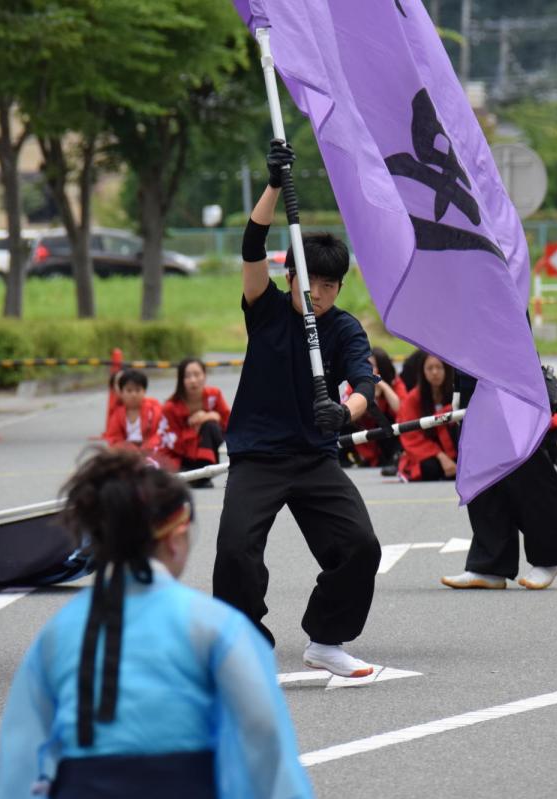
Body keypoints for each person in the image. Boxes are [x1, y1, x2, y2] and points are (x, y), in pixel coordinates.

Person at [0, 449, 313, 798]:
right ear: (175, 537)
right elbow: (262, 730)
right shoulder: (215, 626)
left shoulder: (58, 633)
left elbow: (23, 754)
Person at [211, 139, 382, 678]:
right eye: (315, 283)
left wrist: (346, 411)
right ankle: (247, 644)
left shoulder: (344, 327)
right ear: (294, 277)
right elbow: (251, 242)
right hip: (258, 455)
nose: (322, 295)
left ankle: (327, 639)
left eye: (332, 286)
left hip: (314, 456)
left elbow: (364, 383)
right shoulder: (264, 309)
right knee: (236, 553)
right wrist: (272, 183)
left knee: (360, 546)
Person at [442, 370, 557, 590]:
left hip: (509, 375)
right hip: (472, 378)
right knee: (481, 472)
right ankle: (490, 564)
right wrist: (459, 386)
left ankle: (549, 555)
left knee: (526, 469)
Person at [158, 357, 230, 487]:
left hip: (207, 451)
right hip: (182, 457)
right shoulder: (170, 407)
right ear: (181, 380)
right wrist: (194, 430)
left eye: (197, 374)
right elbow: (173, 442)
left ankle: (203, 471)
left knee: (211, 426)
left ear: (204, 376)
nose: (193, 380)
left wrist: (209, 416)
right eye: (188, 376)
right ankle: (199, 477)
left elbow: (228, 423)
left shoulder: (214, 395)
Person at [396, 352, 458, 482]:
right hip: (429, 450)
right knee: (429, 468)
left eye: (439, 367)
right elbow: (411, 436)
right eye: (429, 368)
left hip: (455, 447)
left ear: (446, 369)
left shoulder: (456, 394)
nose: (434, 372)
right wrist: (441, 456)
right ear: (423, 372)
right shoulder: (413, 399)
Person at [342, 347, 403, 473]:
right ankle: (347, 458)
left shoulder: (395, 382)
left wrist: (383, 386)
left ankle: (395, 458)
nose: (368, 370)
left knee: (392, 421)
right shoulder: (356, 383)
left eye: (372, 366)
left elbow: (401, 410)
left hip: (387, 436)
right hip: (364, 435)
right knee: (342, 420)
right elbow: (345, 408)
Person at [103, 370, 162, 453]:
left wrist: (146, 448)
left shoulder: (153, 409)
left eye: (138, 390)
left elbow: (160, 433)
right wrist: (130, 450)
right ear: (121, 392)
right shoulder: (117, 414)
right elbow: (114, 438)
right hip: (127, 452)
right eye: (129, 391)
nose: (133, 395)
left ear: (144, 391)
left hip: (151, 450)